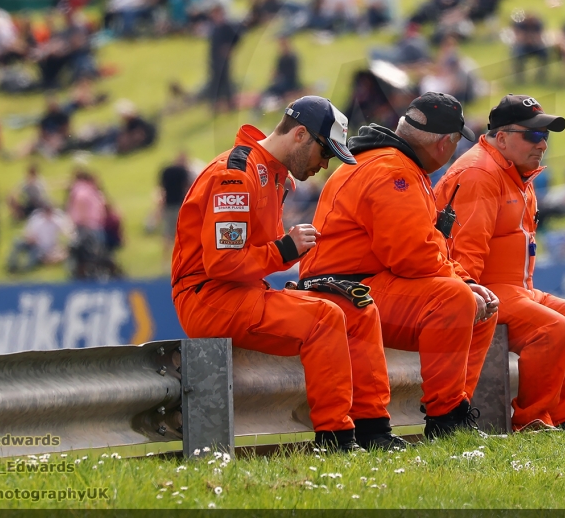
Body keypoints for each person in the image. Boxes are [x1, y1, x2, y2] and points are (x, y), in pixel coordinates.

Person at [172, 97, 390, 452]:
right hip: (207, 297)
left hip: (240, 292)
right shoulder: (236, 174)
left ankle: (375, 430)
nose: (325, 165)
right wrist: (286, 251)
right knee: (324, 317)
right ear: (301, 135)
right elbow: (222, 264)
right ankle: (336, 439)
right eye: (326, 154)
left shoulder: (272, 175)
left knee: (359, 310)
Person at [299, 92, 500, 440]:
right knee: (454, 299)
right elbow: (412, 256)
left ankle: (455, 411)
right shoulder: (394, 170)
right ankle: (447, 420)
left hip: (361, 281)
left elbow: (427, 247)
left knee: (479, 304)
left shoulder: (395, 163)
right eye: (454, 145)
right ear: (444, 144)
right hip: (345, 287)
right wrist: (461, 285)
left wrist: (465, 280)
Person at [436, 94, 565, 431]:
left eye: (544, 136)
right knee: (552, 328)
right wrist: (468, 299)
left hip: (520, 292)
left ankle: (558, 422)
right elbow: (463, 257)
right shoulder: (478, 174)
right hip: (485, 293)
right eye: (532, 135)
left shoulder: (517, 172)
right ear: (501, 138)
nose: (542, 144)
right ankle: (532, 422)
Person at [6, 201, 76, 273]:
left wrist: (69, 238)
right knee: (17, 242)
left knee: (37, 256)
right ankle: (12, 264)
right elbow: (27, 233)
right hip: (34, 244)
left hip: (46, 248)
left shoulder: (56, 221)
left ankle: (25, 269)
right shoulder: (36, 219)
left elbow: (67, 230)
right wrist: (30, 238)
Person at [159, 152, 193, 267]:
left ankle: (165, 261)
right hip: (180, 205)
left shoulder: (166, 171)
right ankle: (181, 259)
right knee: (181, 233)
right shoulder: (183, 172)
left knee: (167, 234)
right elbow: (187, 187)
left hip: (168, 205)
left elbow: (162, 189)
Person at [207, 4, 241, 115]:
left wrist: (230, 48)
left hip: (223, 60)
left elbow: (237, 38)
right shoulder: (214, 27)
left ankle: (230, 104)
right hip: (214, 59)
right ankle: (215, 105)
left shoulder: (226, 26)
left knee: (225, 81)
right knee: (215, 81)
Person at [258, 37, 303, 111]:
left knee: (273, 91)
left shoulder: (292, 58)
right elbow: (276, 71)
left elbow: (292, 74)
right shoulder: (281, 58)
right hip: (282, 82)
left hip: (290, 82)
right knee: (268, 91)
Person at [511, 13, 550, 83]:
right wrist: (529, 38)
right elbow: (518, 38)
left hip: (535, 46)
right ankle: (520, 76)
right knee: (518, 53)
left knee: (544, 53)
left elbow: (539, 37)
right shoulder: (520, 25)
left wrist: (532, 39)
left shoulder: (538, 25)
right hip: (523, 46)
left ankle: (541, 75)